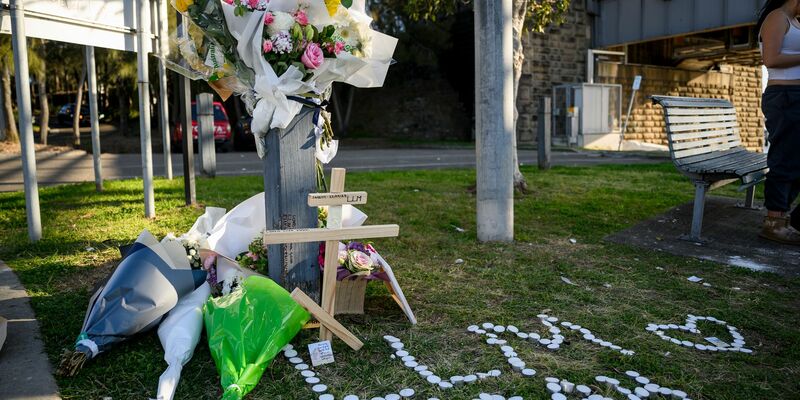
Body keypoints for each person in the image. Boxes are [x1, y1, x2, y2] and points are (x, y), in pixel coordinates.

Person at [758, 0, 800, 245]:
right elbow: (770, 59)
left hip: (794, 97)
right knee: (784, 159)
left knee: (796, 160)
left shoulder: (794, 21)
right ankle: (774, 222)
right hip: (784, 98)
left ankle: (786, 219)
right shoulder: (777, 17)